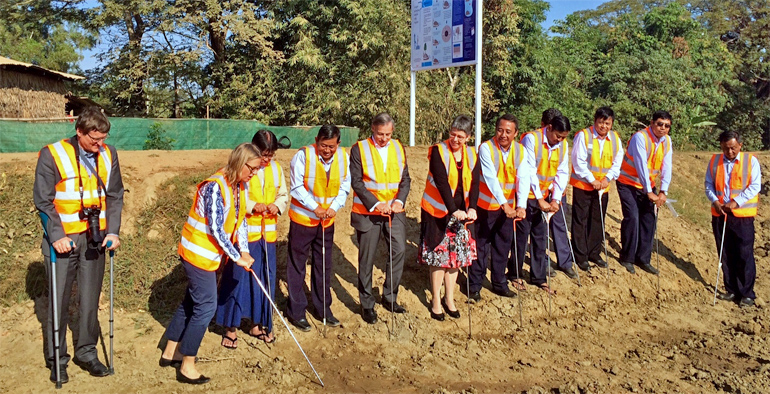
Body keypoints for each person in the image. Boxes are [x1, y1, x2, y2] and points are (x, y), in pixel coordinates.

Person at [34, 107, 124, 384]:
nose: (99, 146)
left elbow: (116, 195)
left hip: (95, 238)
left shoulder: (109, 154)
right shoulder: (52, 154)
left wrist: (114, 231)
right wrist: (57, 235)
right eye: (94, 140)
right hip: (63, 239)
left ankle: (86, 353)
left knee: (89, 299)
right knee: (59, 301)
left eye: (103, 140)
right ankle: (57, 360)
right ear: (79, 131)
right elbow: (43, 200)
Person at [161, 143, 259, 384]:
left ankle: (170, 350)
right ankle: (187, 363)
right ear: (239, 162)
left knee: (190, 301)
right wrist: (236, 256)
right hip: (197, 254)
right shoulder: (215, 186)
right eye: (252, 168)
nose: (254, 174)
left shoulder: (240, 186)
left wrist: (244, 250)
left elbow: (241, 221)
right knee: (205, 306)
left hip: (211, 256)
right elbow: (216, 228)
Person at [217, 130, 288, 347]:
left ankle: (258, 323)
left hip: (268, 235)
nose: (267, 160)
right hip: (244, 235)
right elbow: (236, 195)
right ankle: (230, 327)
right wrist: (252, 206)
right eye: (263, 154)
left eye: (270, 155)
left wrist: (277, 205)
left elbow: (284, 194)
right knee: (238, 278)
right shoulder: (245, 169)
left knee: (265, 279)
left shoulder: (276, 169)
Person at [286, 125, 351, 331]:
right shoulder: (303, 157)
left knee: (323, 265)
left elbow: (344, 186)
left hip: (326, 222)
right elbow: (296, 188)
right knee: (297, 267)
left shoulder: (343, 158)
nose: (327, 150)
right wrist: (316, 208)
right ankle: (296, 311)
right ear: (316, 140)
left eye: (331, 146)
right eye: (323, 145)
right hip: (303, 220)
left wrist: (333, 207)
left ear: (338, 144)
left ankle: (323, 309)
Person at [350, 113, 411, 324]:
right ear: (372, 130)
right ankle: (367, 304)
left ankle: (389, 296)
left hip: (394, 212)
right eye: (380, 134)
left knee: (399, 250)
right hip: (368, 213)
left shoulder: (398, 147)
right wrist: (377, 204)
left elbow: (405, 179)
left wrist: (399, 201)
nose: (384, 138)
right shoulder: (360, 148)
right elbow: (357, 182)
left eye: (388, 134)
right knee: (366, 259)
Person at [419, 115, 480, 320]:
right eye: (453, 134)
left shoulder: (472, 155)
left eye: (460, 136)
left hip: (461, 214)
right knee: (439, 257)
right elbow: (442, 182)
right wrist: (454, 210)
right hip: (438, 212)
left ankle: (449, 299)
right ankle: (436, 300)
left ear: (468, 137)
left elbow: (475, 183)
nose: (455, 139)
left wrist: (472, 208)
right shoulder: (439, 151)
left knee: (455, 260)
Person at [468, 114, 531, 303]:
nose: (503, 135)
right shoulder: (486, 148)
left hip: (509, 208)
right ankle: (474, 286)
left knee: (503, 246)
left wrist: (521, 205)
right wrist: (504, 204)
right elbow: (490, 178)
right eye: (500, 130)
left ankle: (499, 283)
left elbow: (523, 177)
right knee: (481, 247)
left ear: (515, 133)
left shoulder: (520, 151)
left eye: (508, 132)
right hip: (487, 206)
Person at [516, 114, 572, 295]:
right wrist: (539, 199)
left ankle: (539, 277)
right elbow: (529, 170)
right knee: (521, 236)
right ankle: (515, 273)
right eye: (558, 136)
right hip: (527, 195)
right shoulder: (532, 140)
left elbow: (562, 172)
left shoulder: (562, 145)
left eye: (564, 137)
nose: (560, 140)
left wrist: (555, 198)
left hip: (545, 196)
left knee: (540, 237)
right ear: (548, 128)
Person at [706, 130, 761, 307]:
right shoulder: (714, 161)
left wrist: (736, 202)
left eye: (733, 148)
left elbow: (755, 186)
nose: (730, 152)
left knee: (744, 254)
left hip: (742, 217)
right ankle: (731, 290)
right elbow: (708, 184)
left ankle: (746, 294)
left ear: (740, 145)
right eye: (726, 148)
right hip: (720, 214)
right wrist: (715, 201)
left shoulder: (750, 161)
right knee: (725, 254)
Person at [616, 111, 673, 274]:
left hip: (648, 186)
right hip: (628, 182)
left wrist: (663, 191)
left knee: (649, 219)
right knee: (632, 217)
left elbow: (667, 167)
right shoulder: (640, 138)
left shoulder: (667, 142)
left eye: (666, 126)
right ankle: (627, 257)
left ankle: (643, 259)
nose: (662, 128)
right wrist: (649, 192)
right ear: (652, 123)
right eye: (659, 124)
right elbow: (641, 165)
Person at [569, 107, 624, 271]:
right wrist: (592, 180)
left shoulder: (615, 139)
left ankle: (594, 253)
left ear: (611, 123)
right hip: (584, 185)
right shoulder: (584, 136)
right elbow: (578, 162)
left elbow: (617, 162)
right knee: (581, 220)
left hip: (603, 188)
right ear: (595, 121)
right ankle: (580, 255)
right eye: (601, 122)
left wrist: (607, 179)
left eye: (607, 123)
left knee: (597, 219)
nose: (604, 126)